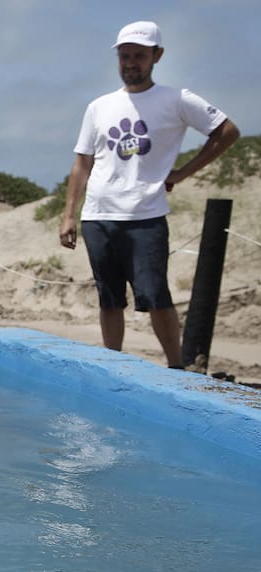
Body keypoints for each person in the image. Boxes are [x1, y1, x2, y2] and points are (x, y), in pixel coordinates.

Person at [59, 21, 239, 368]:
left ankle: (177, 369)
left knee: (157, 296)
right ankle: (113, 366)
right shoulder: (99, 106)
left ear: (157, 56)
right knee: (109, 299)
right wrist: (69, 214)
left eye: (139, 56)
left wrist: (184, 172)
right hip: (98, 215)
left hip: (146, 216)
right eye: (125, 56)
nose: (130, 63)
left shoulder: (176, 99)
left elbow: (227, 132)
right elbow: (82, 162)